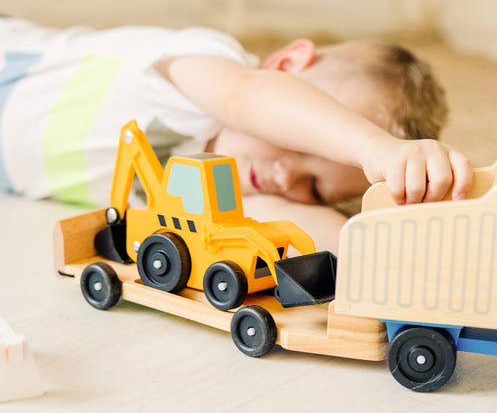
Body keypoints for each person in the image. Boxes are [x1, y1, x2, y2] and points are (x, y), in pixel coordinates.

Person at [0, 17, 471, 250]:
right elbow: (247, 96)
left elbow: (318, 236)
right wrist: (377, 149)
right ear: (285, 66)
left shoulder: (219, 196)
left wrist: (399, 249)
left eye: (314, 188)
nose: (288, 177)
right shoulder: (204, 68)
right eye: (301, 143)